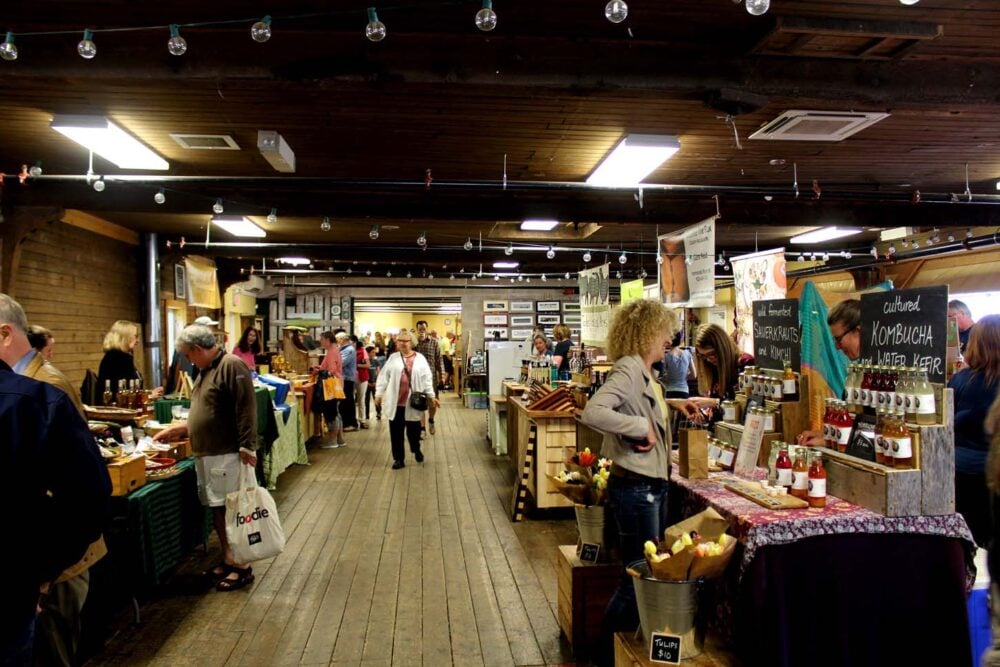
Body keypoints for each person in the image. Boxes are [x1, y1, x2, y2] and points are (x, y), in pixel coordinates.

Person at [577, 299, 702, 667]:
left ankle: (621, 651)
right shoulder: (630, 370)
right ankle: (601, 656)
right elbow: (594, 411)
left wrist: (674, 407)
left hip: (648, 486)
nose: (669, 339)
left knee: (643, 574)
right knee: (639, 577)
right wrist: (640, 427)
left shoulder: (646, 373)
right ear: (647, 333)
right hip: (637, 488)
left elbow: (642, 406)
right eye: (664, 332)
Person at [1, 294, 108, 667]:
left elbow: (83, 493)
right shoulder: (30, 391)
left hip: (47, 566)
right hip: (31, 568)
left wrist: (45, 568)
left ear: (4, 334)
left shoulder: (44, 387)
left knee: (53, 646)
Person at [153, 324, 258, 592]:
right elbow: (208, 409)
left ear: (198, 349)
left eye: (189, 355)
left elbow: (246, 408)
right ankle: (229, 557)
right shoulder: (205, 369)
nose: (189, 360)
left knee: (232, 510)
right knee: (218, 509)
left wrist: (247, 447)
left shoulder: (231, 365)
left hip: (227, 453)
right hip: (210, 453)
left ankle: (242, 566)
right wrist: (181, 429)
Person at [948, 314, 1000, 548]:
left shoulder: (960, 380)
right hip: (992, 473)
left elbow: (946, 423)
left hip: (959, 471)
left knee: (966, 538)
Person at [796, 298, 862, 447]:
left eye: (839, 339)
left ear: (857, 332)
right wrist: (826, 434)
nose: (837, 347)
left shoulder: (878, 375)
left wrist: (829, 440)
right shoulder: (858, 371)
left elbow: (872, 430)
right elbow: (855, 423)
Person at [374, 330, 439, 469]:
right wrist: (378, 394)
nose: (402, 343)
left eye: (405, 341)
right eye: (400, 340)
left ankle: (416, 449)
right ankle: (398, 459)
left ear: (412, 342)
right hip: (396, 403)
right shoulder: (393, 358)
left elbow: (427, 379)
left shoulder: (420, 359)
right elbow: (384, 377)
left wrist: (432, 396)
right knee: (396, 433)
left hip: (413, 403)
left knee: (414, 433)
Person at [97, 320, 163, 402]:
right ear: (125, 337)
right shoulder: (119, 359)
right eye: (135, 336)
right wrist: (149, 397)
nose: (138, 340)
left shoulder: (117, 357)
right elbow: (124, 395)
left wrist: (149, 393)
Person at [693, 323, 753, 402]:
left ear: (722, 347)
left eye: (711, 354)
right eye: (703, 356)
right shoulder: (712, 366)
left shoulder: (745, 363)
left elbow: (748, 403)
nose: (708, 359)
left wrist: (713, 403)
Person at [312, 332, 345, 448]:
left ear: (327, 340)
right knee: (336, 412)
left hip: (330, 385)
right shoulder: (335, 350)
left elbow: (331, 370)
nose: (320, 342)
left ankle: (332, 441)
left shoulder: (331, 352)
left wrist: (319, 371)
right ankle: (340, 439)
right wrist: (321, 368)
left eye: (321, 339)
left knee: (331, 413)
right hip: (337, 384)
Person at [415, 321, 443, 436]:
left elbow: (439, 359)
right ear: (417, 330)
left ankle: (431, 420)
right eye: (420, 329)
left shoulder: (434, 343)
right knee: (420, 403)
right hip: (417, 377)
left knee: (432, 402)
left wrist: (442, 374)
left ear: (427, 329)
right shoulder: (414, 343)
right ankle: (422, 428)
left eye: (423, 329)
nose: (421, 331)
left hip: (431, 378)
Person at [660, 331, 695, 399]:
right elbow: (694, 375)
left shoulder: (666, 356)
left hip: (669, 391)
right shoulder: (687, 354)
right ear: (680, 340)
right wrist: (683, 377)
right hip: (684, 391)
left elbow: (663, 376)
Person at [335, 331, 359, 432]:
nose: (336, 342)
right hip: (343, 378)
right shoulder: (343, 349)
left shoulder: (349, 350)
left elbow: (341, 363)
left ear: (342, 339)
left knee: (348, 401)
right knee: (345, 402)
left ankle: (351, 424)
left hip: (347, 379)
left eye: (337, 340)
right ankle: (345, 423)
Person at [354, 336, 370, 429]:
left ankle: (362, 420)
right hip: (350, 378)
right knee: (350, 400)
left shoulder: (362, 351)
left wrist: (356, 365)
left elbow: (367, 365)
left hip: (361, 377)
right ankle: (352, 420)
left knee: (361, 399)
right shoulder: (346, 351)